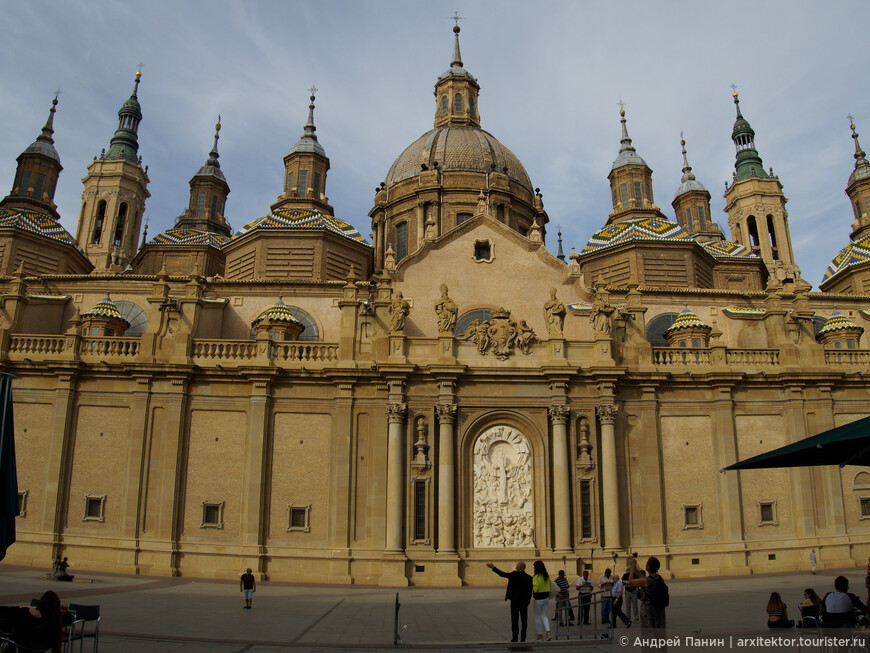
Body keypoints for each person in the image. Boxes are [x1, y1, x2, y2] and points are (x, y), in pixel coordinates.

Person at [486, 561, 533, 643]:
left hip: (514, 601)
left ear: (519, 567)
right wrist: (528, 600)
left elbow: (502, 574)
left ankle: (515, 637)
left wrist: (493, 567)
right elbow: (530, 591)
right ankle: (523, 637)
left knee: (514, 619)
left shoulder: (514, 574)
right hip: (524, 602)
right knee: (524, 620)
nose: (516, 567)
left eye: (517, 566)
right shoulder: (529, 578)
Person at [627, 555, 667, 631]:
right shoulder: (659, 578)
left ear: (649, 567)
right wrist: (636, 569)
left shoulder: (648, 581)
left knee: (649, 634)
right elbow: (645, 579)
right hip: (658, 608)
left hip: (649, 610)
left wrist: (632, 568)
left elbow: (631, 581)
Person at [531, 560, 552, 641]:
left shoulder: (536, 577)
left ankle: (540, 634)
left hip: (539, 598)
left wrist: (533, 593)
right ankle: (548, 631)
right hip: (546, 597)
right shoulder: (546, 576)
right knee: (544, 615)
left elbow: (535, 587)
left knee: (537, 616)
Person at [623, 555, 640, 622]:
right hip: (627, 590)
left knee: (635, 604)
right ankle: (628, 616)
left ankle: (636, 616)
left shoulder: (635, 575)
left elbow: (637, 582)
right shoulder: (625, 575)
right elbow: (623, 582)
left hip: (633, 590)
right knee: (628, 605)